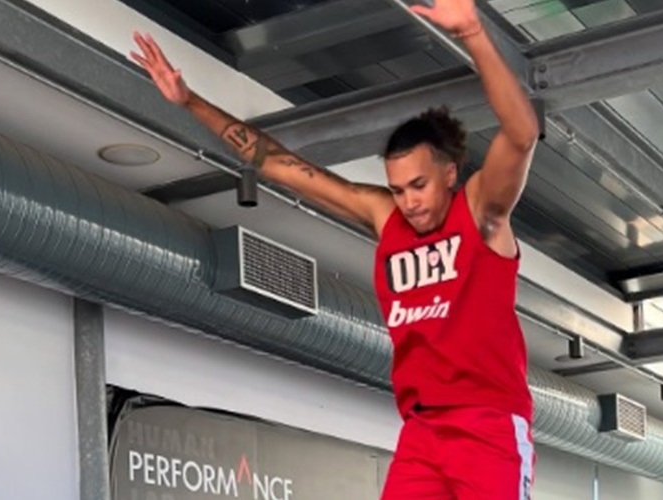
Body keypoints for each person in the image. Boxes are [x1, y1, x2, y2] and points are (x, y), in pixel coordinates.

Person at [132, 0, 540, 497]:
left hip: (488, 424)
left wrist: (473, 32)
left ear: (450, 173)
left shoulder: (480, 213)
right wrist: (188, 101)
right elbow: (277, 164)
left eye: (419, 185)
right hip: (421, 430)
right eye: (397, 189)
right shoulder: (385, 216)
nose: (409, 202)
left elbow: (521, 135)